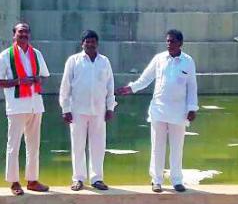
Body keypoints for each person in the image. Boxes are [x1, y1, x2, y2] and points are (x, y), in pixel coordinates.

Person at [116, 29, 198, 193]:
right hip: (158, 110)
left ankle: (176, 180)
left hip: (179, 112)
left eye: (173, 41)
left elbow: (192, 86)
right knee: (157, 146)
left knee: (177, 147)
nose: (169, 44)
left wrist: (192, 108)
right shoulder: (159, 59)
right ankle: (156, 180)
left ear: (180, 43)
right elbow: (145, 79)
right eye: (167, 41)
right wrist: (131, 88)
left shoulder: (188, 61)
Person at [0, 22, 50, 196]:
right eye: (20, 32)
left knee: (34, 145)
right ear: (14, 35)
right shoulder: (5, 55)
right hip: (16, 106)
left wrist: (37, 79)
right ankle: (14, 182)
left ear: (29, 35)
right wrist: (17, 82)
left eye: (26, 32)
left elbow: (45, 77)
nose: (23, 35)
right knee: (14, 145)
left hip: (35, 105)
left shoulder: (36, 54)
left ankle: (32, 180)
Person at [59, 30, 116, 191]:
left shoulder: (104, 61)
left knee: (98, 145)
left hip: (99, 110)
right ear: (82, 43)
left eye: (93, 41)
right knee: (78, 145)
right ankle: (78, 178)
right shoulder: (74, 61)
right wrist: (65, 108)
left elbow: (110, 85)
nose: (90, 44)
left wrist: (110, 107)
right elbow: (65, 86)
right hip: (77, 110)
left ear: (97, 43)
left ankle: (97, 178)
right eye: (87, 41)